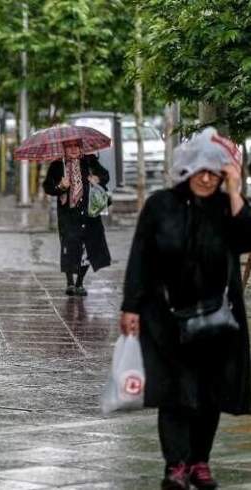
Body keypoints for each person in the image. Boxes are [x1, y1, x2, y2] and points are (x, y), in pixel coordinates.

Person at [120, 127, 251, 490]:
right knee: (176, 392)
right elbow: (140, 258)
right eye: (201, 171)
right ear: (188, 170)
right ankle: (175, 465)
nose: (207, 179)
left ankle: (200, 462)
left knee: (209, 393)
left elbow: (246, 239)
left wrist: (236, 189)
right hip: (167, 317)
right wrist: (130, 306)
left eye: (216, 172)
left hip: (218, 318)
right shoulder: (161, 205)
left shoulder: (228, 207)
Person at [43, 140, 111, 295]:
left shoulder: (90, 161)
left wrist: (97, 179)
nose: (73, 150)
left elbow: (105, 175)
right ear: (64, 149)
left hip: (89, 212)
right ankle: (70, 283)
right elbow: (48, 187)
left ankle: (80, 282)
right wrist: (61, 187)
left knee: (87, 248)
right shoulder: (57, 165)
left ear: (81, 148)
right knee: (69, 247)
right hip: (68, 214)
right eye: (69, 147)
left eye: (76, 146)